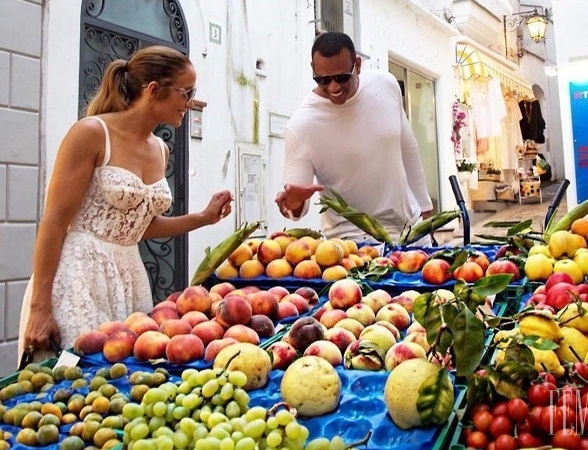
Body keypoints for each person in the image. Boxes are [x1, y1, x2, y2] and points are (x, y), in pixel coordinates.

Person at [18, 46, 233, 363]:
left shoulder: (160, 149)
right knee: (73, 382)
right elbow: (53, 222)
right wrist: (40, 307)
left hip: (129, 277)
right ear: (153, 90)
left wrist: (203, 218)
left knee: (122, 383)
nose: (190, 102)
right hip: (78, 277)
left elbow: (137, 228)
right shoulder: (91, 133)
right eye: (186, 92)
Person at [275, 32, 433, 243]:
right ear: (313, 70)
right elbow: (296, 206)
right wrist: (293, 204)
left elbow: (407, 149)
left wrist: (425, 210)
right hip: (352, 244)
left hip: (410, 232)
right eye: (323, 80)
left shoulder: (386, 85)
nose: (333, 87)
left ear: (357, 65)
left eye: (342, 77)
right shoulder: (301, 125)